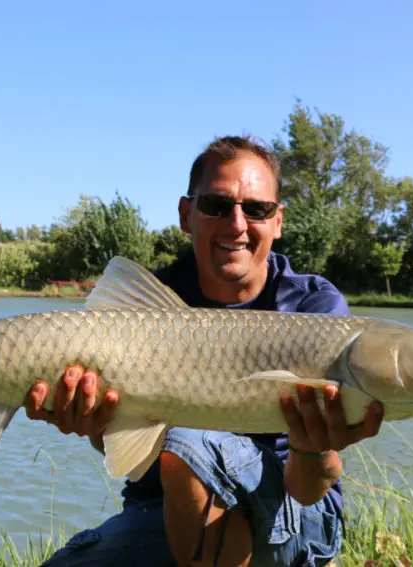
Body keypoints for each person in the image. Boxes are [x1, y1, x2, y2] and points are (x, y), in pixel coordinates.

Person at [24, 135, 384, 567]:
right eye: (216, 205)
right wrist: (94, 424)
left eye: (256, 209)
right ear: (185, 214)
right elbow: (130, 458)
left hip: (294, 514)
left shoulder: (314, 311)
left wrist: (315, 447)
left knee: (189, 440)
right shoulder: (145, 305)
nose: (236, 224)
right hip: (161, 512)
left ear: (278, 220)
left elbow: (308, 489)